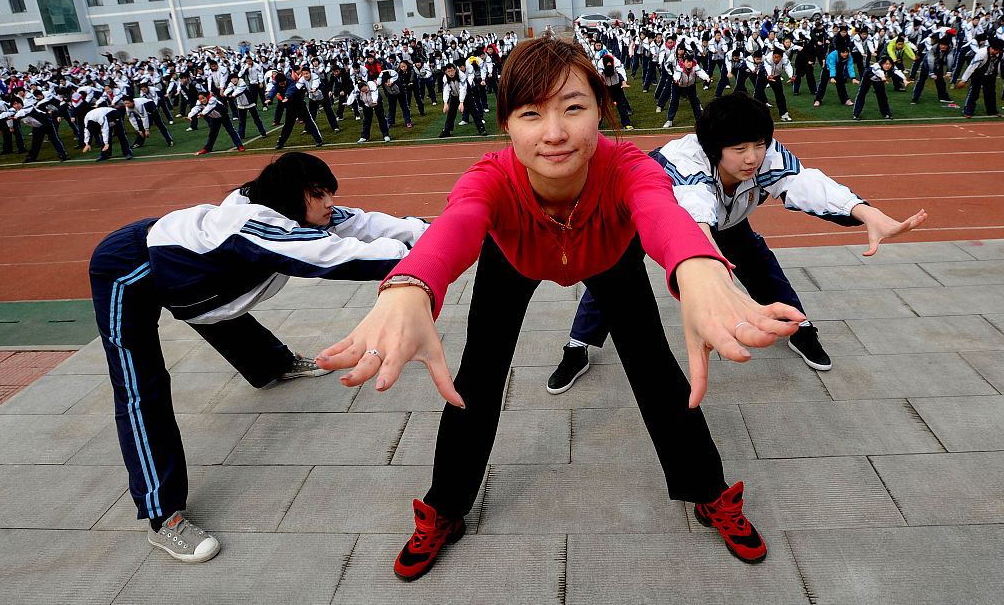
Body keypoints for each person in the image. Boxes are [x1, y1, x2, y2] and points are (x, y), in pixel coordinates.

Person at [316, 35, 808, 579]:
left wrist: (700, 267)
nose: (554, 133)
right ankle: (445, 508)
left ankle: (708, 490)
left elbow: (660, 212)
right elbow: (456, 224)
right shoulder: (492, 177)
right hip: (515, 258)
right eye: (531, 113)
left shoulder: (626, 166)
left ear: (601, 108)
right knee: (473, 380)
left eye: (574, 107)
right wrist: (410, 285)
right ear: (506, 124)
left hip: (608, 254)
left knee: (658, 370)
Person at [89, 153, 429, 563]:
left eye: (328, 194)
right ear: (291, 195)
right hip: (128, 269)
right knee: (142, 390)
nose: (328, 204)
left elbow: (364, 224)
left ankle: (272, 364)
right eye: (318, 195)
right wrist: (428, 256)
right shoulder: (252, 227)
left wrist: (435, 232)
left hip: (189, 272)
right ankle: (163, 516)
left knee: (218, 301)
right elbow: (335, 256)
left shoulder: (300, 211)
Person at [547, 93, 928, 393]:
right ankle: (577, 347)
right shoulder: (685, 161)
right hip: (646, 217)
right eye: (740, 149)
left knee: (759, 263)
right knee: (612, 277)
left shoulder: (765, 155)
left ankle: (800, 327)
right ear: (714, 148)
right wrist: (713, 281)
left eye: (759, 145)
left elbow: (806, 184)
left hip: (726, 221)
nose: (752, 159)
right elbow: (695, 216)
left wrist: (867, 213)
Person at [188, 90, 245, 155]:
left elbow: (209, 108)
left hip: (223, 116)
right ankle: (207, 148)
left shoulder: (212, 99)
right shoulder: (199, 102)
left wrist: (203, 113)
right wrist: (190, 115)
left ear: (207, 97)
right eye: (200, 99)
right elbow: (196, 108)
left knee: (231, 131)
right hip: (214, 118)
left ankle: (240, 146)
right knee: (212, 133)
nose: (202, 100)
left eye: (203, 98)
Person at [852, 54, 902, 121]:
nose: (888, 66)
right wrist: (883, 78)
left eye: (890, 64)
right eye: (886, 64)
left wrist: (905, 80)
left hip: (879, 80)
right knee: (862, 94)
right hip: (868, 78)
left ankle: (886, 113)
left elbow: (898, 72)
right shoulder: (876, 67)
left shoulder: (892, 67)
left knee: (882, 96)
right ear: (882, 64)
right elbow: (879, 72)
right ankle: (856, 114)